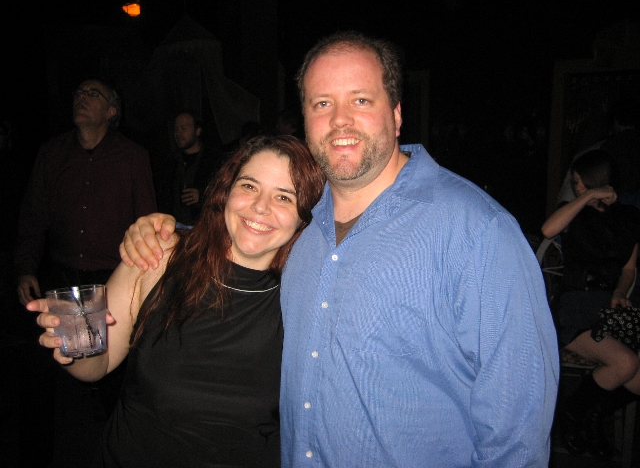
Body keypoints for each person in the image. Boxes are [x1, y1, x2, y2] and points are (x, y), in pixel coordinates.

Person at [120, 31, 559, 467]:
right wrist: (161, 229)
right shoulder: (299, 222)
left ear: (397, 114)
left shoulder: (479, 232)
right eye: (322, 103)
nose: (340, 120)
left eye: (361, 100)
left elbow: (516, 435)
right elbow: (237, 234)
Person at [28, 135, 325, 467]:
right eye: (249, 186)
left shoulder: (307, 297)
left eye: (283, 197)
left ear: (305, 215)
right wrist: (72, 341)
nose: (260, 207)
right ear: (226, 192)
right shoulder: (159, 256)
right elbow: (98, 364)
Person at [14, 78, 157, 466]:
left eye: (94, 94)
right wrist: (26, 267)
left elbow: (147, 222)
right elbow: (33, 214)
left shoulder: (132, 157)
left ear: (112, 111)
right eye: (79, 92)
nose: (82, 98)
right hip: (60, 278)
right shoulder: (52, 153)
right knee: (39, 370)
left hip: (109, 282)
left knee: (114, 381)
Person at [541, 148, 640, 459]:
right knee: (625, 364)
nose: (577, 187)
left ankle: (590, 416)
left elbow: (628, 269)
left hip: (609, 306)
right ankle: (574, 415)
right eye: (575, 183)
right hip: (575, 306)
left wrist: (620, 292)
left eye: (581, 182)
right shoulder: (573, 212)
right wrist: (588, 197)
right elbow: (547, 230)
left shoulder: (628, 218)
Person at [170, 111, 218, 227]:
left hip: (203, 227)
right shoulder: (171, 161)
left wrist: (202, 197)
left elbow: (225, 193)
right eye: (176, 129)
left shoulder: (214, 160)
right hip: (175, 226)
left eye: (184, 128)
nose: (178, 133)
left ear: (197, 131)